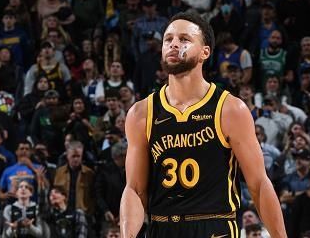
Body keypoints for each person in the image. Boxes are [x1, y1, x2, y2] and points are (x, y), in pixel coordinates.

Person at [120, 12, 286, 237]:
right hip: (163, 227)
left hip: (215, 226)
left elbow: (258, 184)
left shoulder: (229, 109)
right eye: (168, 39)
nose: (174, 44)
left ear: (204, 52)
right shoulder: (141, 113)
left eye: (184, 39)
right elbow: (135, 190)